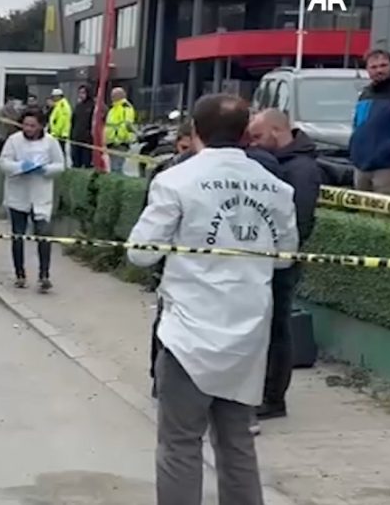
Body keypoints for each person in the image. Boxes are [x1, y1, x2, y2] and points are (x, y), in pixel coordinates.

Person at [127, 94, 299, 505]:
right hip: (247, 335)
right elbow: (284, 259)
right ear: (244, 133)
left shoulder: (175, 180)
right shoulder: (276, 187)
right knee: (237, 442)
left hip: (189, 334)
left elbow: (141, 252)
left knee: (180, 444)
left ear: (195, 130)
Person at [247, 108, 323, 421]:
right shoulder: (282, 164)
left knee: (278, 326)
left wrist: (283, 254)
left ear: (278, 131)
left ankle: (273, 396)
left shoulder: (301, 169)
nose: (253, 143)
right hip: (268, 259)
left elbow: (300, 219)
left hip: (282, 261)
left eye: (257, 136)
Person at [0, 108, 65, 291]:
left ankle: (44, 275)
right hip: (18, 195)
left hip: (41, 195)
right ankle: (20, 274)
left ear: (41, 126)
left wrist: (45, 170)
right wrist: (21, 167)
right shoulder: (14, 141)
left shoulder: (50, 142)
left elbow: (60, 165)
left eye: (32, 126)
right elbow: (4, 163)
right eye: (25, 125)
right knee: (18, 235)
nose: (28, 129)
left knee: (43, 235)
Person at [350, 49, 390, 195]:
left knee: (384, 216)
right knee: (362, 215)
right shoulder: (365, 93)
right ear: (367, 70)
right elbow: (358, 124)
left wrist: (388, 150)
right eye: (374, 67)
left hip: (388, 167)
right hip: (361, 165)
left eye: (383, 65)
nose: (379, 70)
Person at [104, 87, 136, 174]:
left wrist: (119, 139)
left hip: (120, 142)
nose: (111, 97)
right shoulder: (113, 108)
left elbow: (127, 125)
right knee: (113, 167)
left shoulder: (126, 108)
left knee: (117, 167)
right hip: (111, 142)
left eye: (113, 95)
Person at [69, 84, 95, 168]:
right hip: (76, 138)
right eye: (79, 93)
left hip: (87, 140)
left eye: (83, 92)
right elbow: (73, 121)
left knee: (87, 162)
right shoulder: (78, 106)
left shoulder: (93, 106)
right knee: (76, 162)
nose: (81, 95)